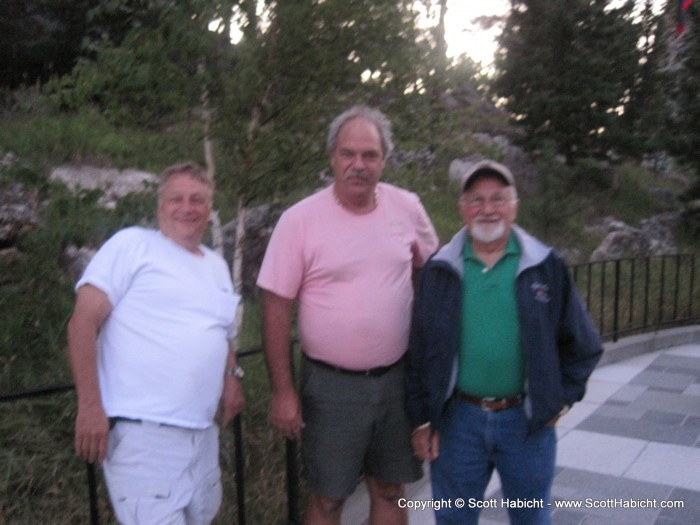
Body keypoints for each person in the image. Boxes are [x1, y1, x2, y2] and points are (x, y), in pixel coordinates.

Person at [257, 105, 439, 525]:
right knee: (327, 500)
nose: (358, 164)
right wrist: (283, 392)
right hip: (329, 388)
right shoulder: (299, 221)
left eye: (370, 155)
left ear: (384, 159)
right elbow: (274, 308)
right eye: (348, 154)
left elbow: (431, 276)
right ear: (332, 158)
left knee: (392, 491)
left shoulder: (407, 207)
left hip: (397, 381)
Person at [406, 159, 603, 525]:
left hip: (526, 424)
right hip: (456, 424)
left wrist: (559, 398)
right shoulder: (439, 271)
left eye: (498, 198)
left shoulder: (546, 265)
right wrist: (421, 420)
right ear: (463, 209)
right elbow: (418, 352)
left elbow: (583, 344)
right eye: (477, 199)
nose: (487, 208)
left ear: (514, 206)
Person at [67, 162, 245, 525]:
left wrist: (232, 376)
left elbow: (222, 332)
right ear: (160, 207)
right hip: (143, 437)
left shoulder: (216, 266)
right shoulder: (132, 246)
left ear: (209, 209)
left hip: (201, 434)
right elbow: (82, 324)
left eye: (197, 199)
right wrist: (89, 407)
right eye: (175, 198)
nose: (187, 207)